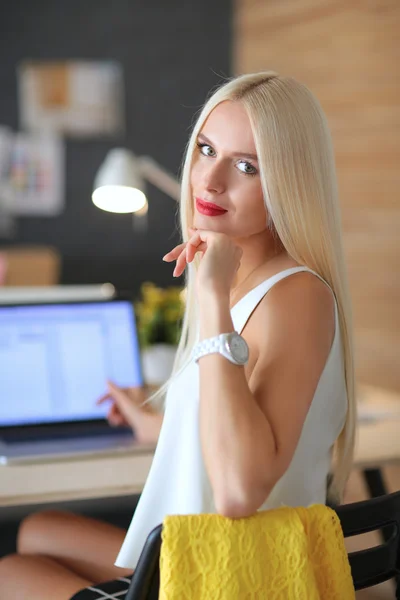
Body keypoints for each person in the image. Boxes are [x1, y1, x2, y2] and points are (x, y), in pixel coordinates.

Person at [0, 70, 356, 599]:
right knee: (37, 528)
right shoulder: (243, 276)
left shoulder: (295, 295)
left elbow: (237, 492)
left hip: (234, 576)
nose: (210, 181)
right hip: (207, 549)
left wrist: (210, 298)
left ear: (289, 181)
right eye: (207, 149)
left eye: (246, 166)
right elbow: (235, 415)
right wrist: (155, 426)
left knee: (8, 570)